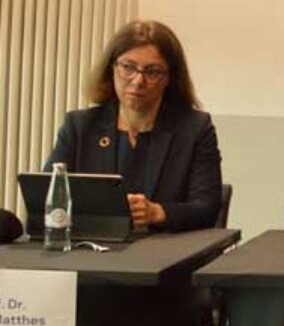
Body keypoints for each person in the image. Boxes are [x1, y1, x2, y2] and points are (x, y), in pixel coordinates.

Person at [46, 19, 222, 231]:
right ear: (112, 69)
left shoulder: (195, 129)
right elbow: (46, 196)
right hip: (92, 246)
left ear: (169, 78)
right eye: (128, 67)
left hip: (166, 248)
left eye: (152, 71)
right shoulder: (80, 127)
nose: (138, 81)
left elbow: (206, 209)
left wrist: (158, 212)